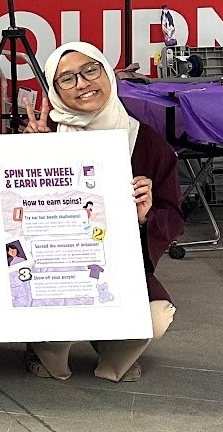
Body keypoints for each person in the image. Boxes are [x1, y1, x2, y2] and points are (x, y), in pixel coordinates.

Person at [21, 41, 183, 383]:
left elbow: (174, 218)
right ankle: (45, 349)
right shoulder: (45, 136)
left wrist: (146, 215)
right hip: (52, 268)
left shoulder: (146, 141)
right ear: (54, 90)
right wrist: (29, 153)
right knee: (54, 359)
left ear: (106, 72)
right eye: (67, 79)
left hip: (123, 269)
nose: (82, 83)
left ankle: (112, 349)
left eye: (90, 70)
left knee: (156, 316)